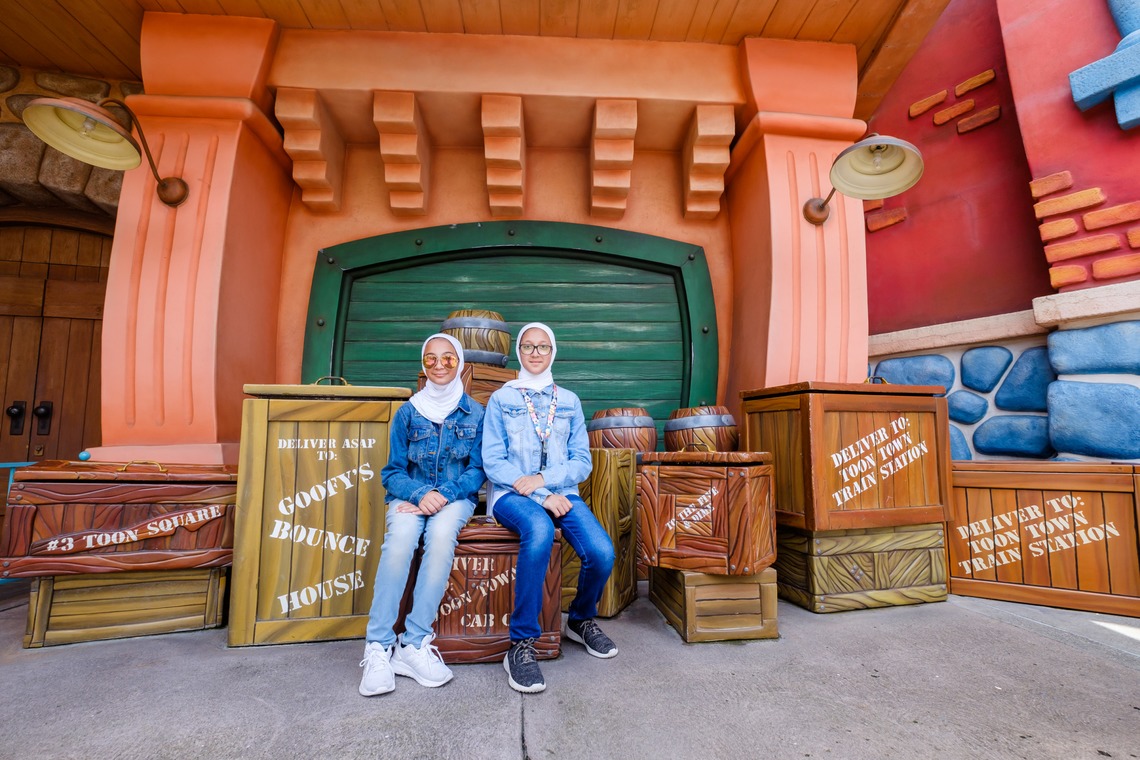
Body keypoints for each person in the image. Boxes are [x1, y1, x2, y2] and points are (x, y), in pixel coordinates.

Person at [482, 322, 617, 694]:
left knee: (602, 552)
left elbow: (581, 461)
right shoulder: (502, 399)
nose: (536, 353)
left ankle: (580, 619)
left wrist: (543, 481)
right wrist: (539, 495)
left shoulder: (569, 401)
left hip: (561, 491)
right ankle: (521, 645)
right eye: (528, 346)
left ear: (553, 351)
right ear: (519, 353)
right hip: (511, 494)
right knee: (539, 530)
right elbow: (493, 462)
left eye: (543, 347)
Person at [359, 333, 485, 697]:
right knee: (399, 542)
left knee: (442, 537)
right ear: (423, 364)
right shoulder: (407, 412)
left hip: (456, 497)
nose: (440, 365)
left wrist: (441, 495)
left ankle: (414, 644)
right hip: (408, 496)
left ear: (460, 363)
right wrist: (419, 493)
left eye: (448, 358)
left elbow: (477, 471)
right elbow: (391, 472)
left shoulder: (475, 412)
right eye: (431, 358)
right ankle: (379, 647)